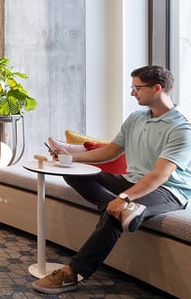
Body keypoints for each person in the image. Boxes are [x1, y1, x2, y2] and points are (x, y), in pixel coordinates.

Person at [34, 66, 191, 295]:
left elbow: (160, 175)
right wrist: (70, 158)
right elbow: (111, 152)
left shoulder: (181, 128)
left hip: (169, 190)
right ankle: (127, 210)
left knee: (113, 214)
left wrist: (124, 198)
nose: (132, 93)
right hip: (132, 179)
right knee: (74, 173)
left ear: (157, 88)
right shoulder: (136, 117)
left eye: (137, 88)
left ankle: (73, 273)